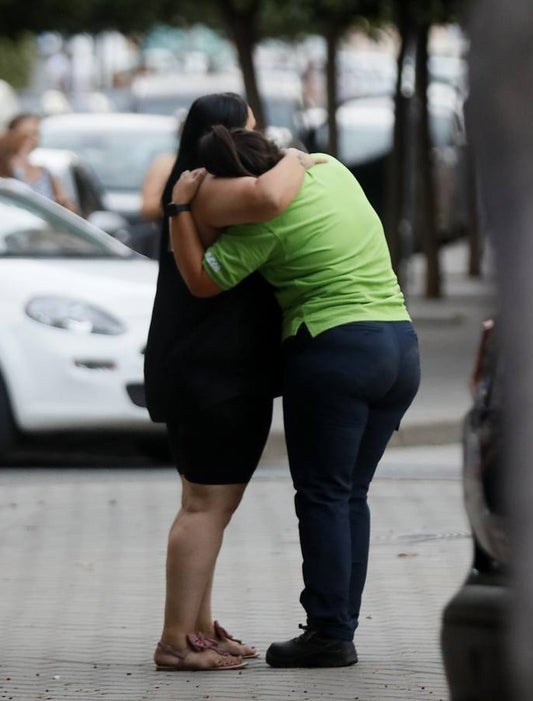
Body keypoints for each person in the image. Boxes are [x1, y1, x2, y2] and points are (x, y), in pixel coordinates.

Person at [167, 126, 421, 668]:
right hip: (399, 344)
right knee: (351, 494)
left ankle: (329, 634)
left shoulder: (264, 222)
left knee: (324, 495)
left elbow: (200, 279)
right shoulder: (329, 167)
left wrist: (181, 213)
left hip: (335, 348)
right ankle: (338, 627)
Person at [146, 93, 319, 672]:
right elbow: (271, 195)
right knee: (204, 509)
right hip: (215, 375)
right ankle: (176, 642)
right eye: (250, 129)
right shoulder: (212, 193)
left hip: (205, 371)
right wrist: (297, 158)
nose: (259, 139)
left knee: (205, 506)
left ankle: (197, 628)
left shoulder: (191, 188)